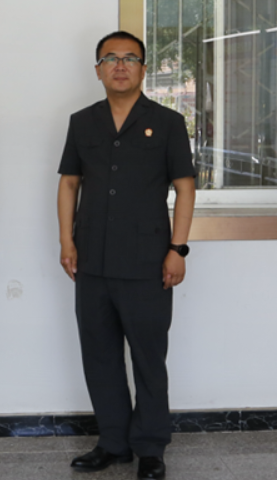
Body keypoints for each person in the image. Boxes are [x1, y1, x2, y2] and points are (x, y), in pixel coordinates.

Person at [57, 31, 196, 480]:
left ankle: (150, 447)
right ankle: (112, 442)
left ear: (143, 68)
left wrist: (177, 249)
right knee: (99, 355)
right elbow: (69, 183)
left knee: (148, 358)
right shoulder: (83, 122)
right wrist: (66, 241)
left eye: (130, 58)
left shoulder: (168, 123)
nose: (120, 65)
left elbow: (185, 188)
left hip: (147, 262)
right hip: (92, 260)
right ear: (97, 69)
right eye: (110, 58)